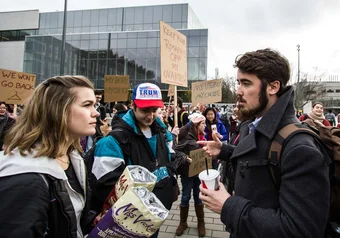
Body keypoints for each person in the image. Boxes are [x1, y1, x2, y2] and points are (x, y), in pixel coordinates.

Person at [197, 48, 330, 237]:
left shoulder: (300, 148)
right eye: (238, 83)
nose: (238, 91)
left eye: (246, 83)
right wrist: (225, 150)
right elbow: (260, 154)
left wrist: (229, 206)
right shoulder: (253, 124)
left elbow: (300, 230)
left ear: (273, 87)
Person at [0, 76, 100, 237]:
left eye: (94, 105)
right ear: (58, 110)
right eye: (87, 105)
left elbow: (70, 218)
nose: (96, 113)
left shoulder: (73, 158)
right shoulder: (25, 177)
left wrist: (94, 220)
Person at [91, 82, 186, 238]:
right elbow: (104, 186)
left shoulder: (162, 132)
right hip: (128, 223)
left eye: (154, 110)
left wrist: (176, 164)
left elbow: (167, 160)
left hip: (155, 216)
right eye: (144, 110)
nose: (150, 116)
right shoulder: (113, 141)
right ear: (132, 106)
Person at [174, 113, 207, 237]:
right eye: (202, 123)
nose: (205, 125)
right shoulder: (187, 137)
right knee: (185, 197)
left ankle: (201, 223)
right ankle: (183, 223)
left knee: (199, 198)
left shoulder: (204, 136)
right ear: (196, 125)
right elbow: (176, 150)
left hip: (200, 174)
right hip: (187, 174)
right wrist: (185, 157)